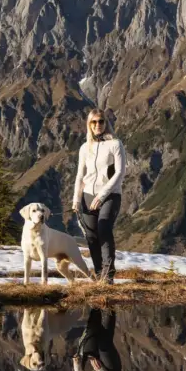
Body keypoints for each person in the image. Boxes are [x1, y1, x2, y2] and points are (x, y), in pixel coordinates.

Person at [72, 109, 126, 283]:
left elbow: (120, 172)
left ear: (106, 123)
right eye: (93, 122)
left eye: (101, 121)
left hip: (110, 195)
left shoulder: (115, 144)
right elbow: (80, 175)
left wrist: (102, 195)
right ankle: (98, 274)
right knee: (91, 236)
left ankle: (108, 275)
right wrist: (76, 199)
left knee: (104, 229)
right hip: (88, 195)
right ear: (89, 124)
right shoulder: (84, 148)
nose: (97, 125)